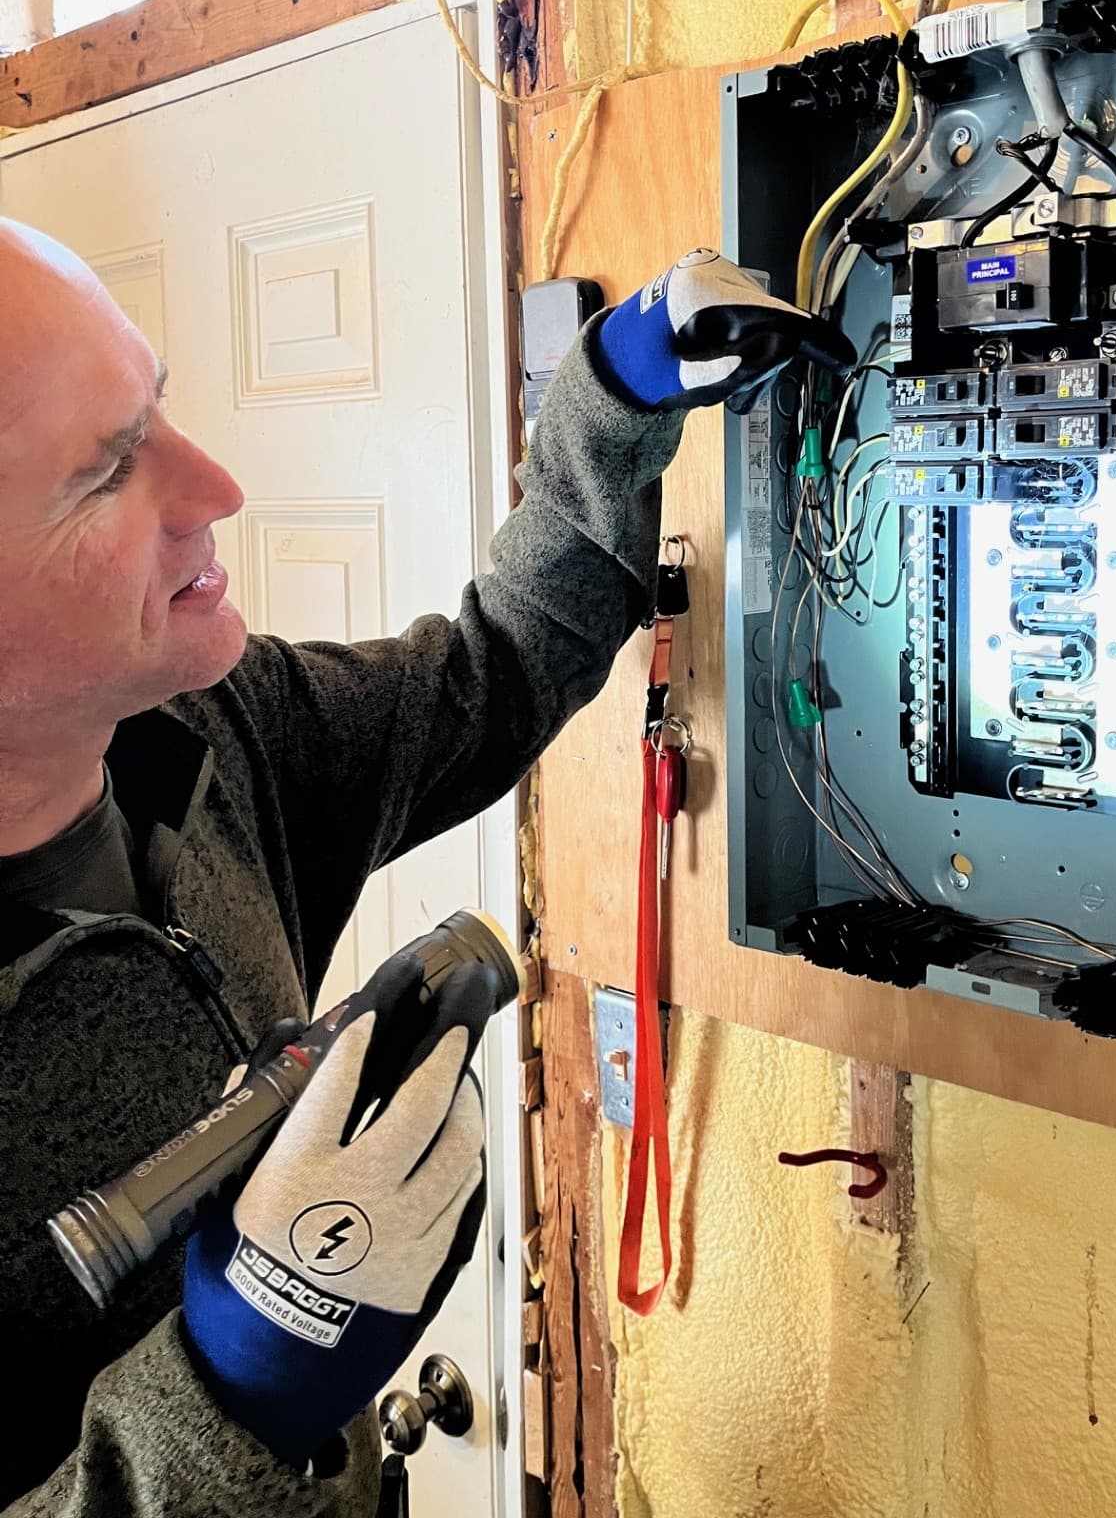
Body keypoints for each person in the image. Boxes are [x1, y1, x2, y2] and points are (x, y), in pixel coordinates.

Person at [0, 223, 850, 1515]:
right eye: (110, 469)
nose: (217, 485)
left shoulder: (213, 738)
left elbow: (491, 674)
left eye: (157, 403)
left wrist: (612, 396)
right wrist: (229, 1393)